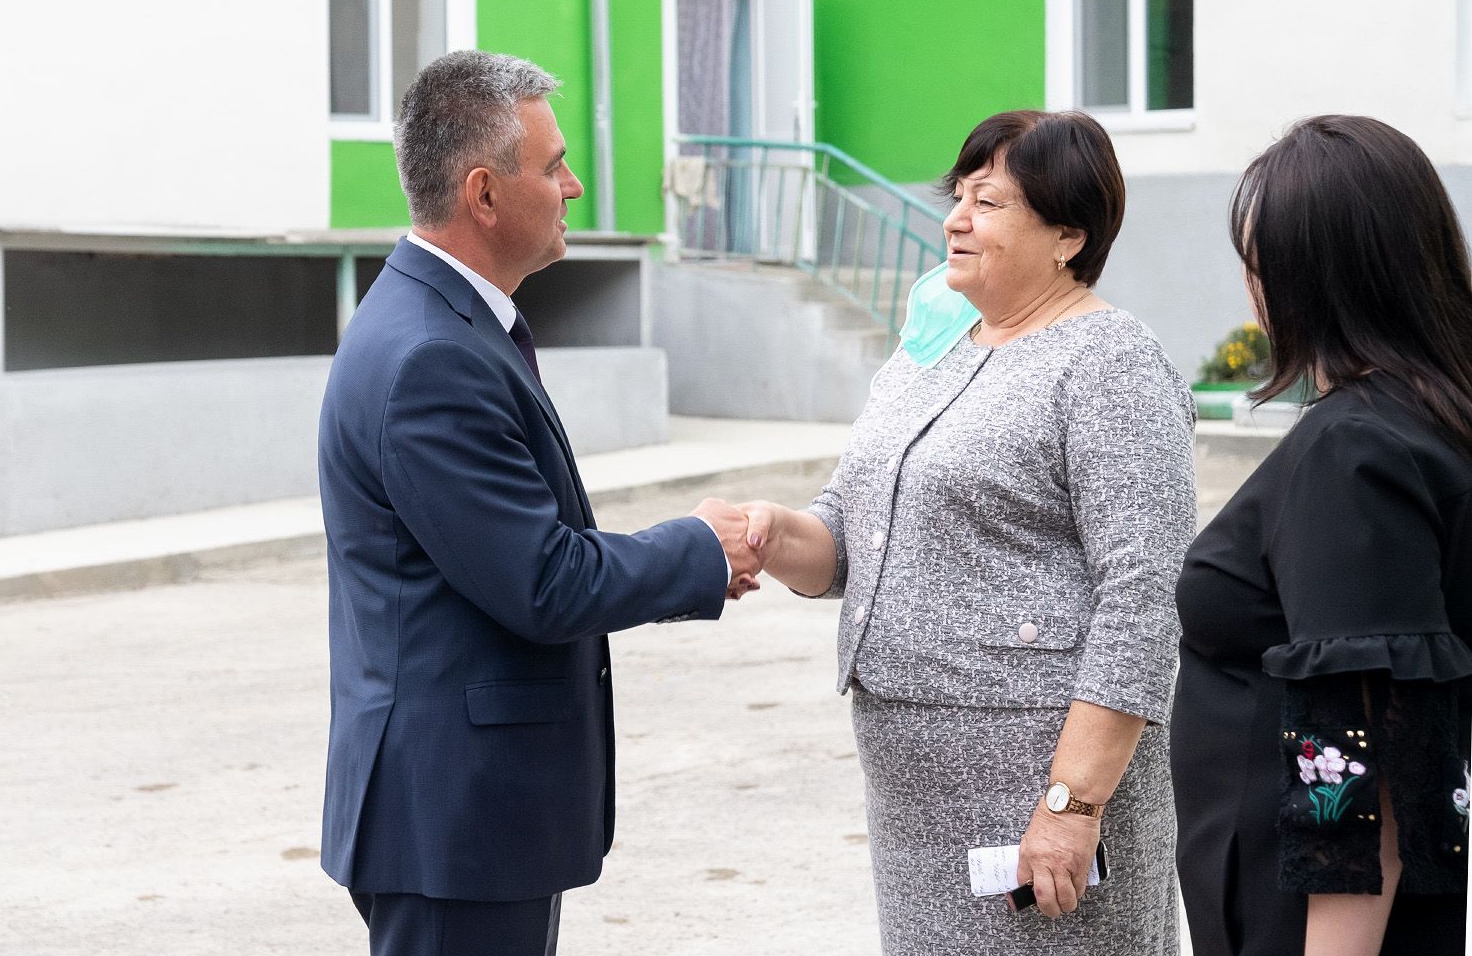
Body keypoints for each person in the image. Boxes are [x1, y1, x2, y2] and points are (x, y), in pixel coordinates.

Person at [316, 50, 761, 956]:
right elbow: (543, 580)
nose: (575, 186)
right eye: (554, 166)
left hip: (468, 816)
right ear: (483, 194)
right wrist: (701, 547)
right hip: (453, 820)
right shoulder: (431, 356)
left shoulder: (446, 322)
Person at [737, 110, 1196, 954]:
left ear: (1067, 236)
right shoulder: (932, 354)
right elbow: (851, 531)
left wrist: (1072, 804)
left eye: (987, 203)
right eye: (958, 196)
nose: (955, 219)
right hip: (917, 800)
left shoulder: (1110, 361)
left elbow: (1143, 595)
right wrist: (775, 533)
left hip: (1038, 787)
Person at [1172, 115, 1472, 955]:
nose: (1251, 289)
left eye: (1258, 262)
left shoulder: (1353, 448)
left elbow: (1365, 761)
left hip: (1307, 920)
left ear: (1314, 273)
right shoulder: (1422, 419)